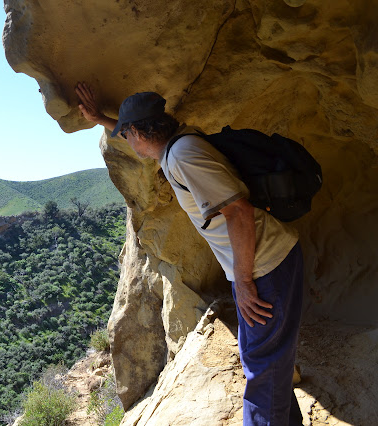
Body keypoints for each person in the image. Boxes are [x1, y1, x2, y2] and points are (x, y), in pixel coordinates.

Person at [75, 82, 304, 425]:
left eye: (127, 133)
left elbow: (238, 212)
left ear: (139, 130)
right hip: (265, 263)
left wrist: (242, 281)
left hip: (266, 266)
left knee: (262, 367)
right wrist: (101, 119)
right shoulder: (179, 144)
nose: (125, 139)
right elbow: (136, 136)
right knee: (265, 361)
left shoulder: (185, 156)